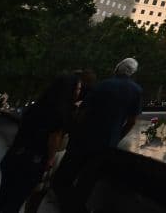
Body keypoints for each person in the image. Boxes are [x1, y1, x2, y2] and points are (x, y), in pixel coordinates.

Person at [52, 58, 142, 213]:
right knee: (86, 183)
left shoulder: (103, 85)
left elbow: (83, 112)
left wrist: (73, 130)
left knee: (62, 179)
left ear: (117, 69)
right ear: (133, 72)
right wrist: (116, 138)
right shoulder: (136, 91)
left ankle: (68, 206)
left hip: (82, 140)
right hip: (106, 145)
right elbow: (131, 121)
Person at [0, 73, 81, 213]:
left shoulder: (36, 107)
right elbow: (54, 139)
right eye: (77, 89)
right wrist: (51, 159)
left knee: (3, 198)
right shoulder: (60, 114)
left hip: (14, 156)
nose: (79, 92)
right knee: (14, 202)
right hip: (32, 163)